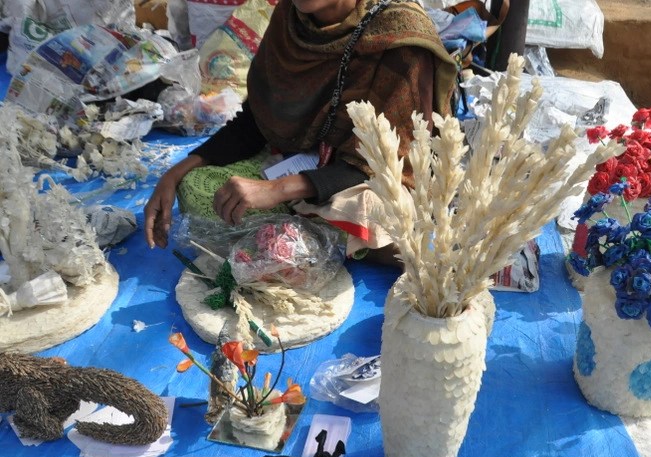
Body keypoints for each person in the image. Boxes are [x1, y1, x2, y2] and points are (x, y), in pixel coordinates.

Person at [144, 0, 457, 262]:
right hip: (299, 157)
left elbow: (389, 164)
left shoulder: (400, 37)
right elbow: (257, 119)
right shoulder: (292, 19)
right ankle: (296, 238)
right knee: (199, 188)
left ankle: (304, 236)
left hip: (369, 178)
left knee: (374, 215)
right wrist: (175, 173)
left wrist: (277, 190)